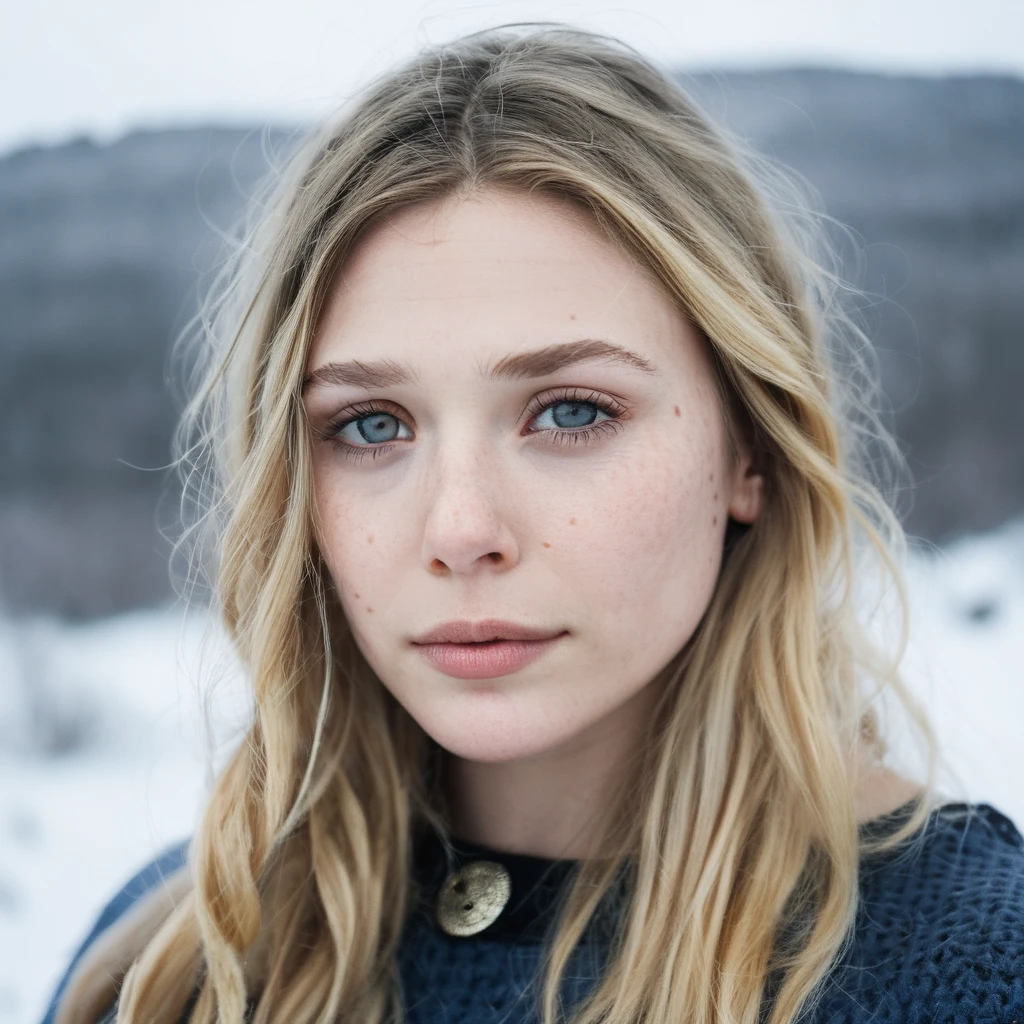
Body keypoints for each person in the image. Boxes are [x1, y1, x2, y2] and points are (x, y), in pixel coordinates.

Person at [41, 24, 1024, 1024]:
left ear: (749, 451)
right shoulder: (175, 960)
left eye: (569, 412)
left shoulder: (971, 968)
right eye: (371, 425)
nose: (461, 528)